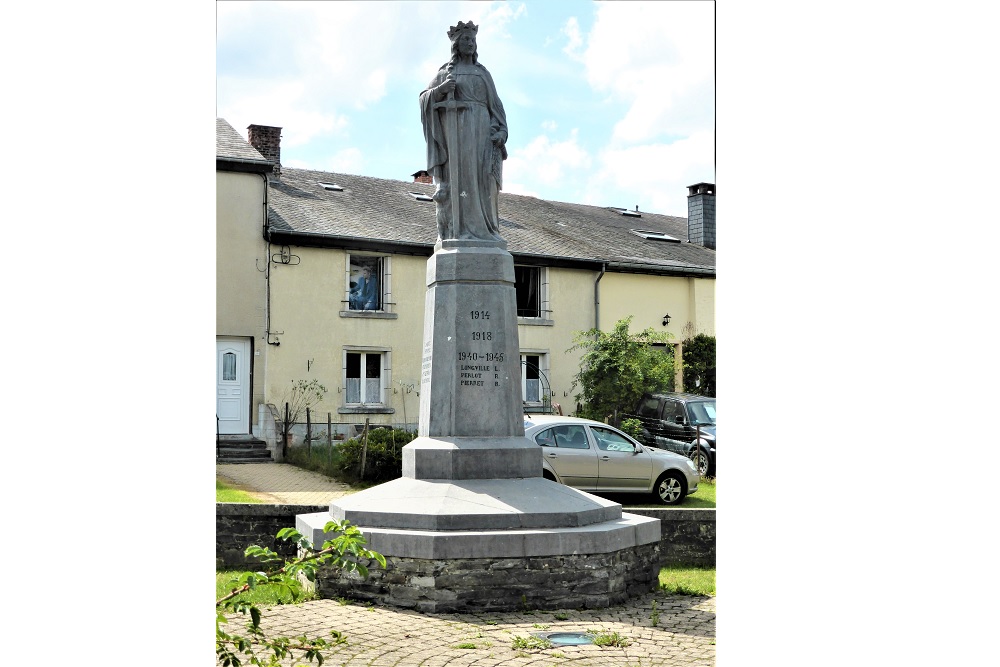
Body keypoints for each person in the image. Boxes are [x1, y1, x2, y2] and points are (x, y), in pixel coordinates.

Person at [419, 20, 508, 242]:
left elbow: (497, 107)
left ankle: (486, 231)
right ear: (456, 45)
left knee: (484, 181)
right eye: (465, 39)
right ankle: (458, 230)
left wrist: (501, 132)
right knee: (461, 179)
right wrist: (440, 90)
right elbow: (424, 98)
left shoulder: (483, 73)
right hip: (457, 135)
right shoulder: (446, 73)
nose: (470, 43)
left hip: (483, 134)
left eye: (472, 39)